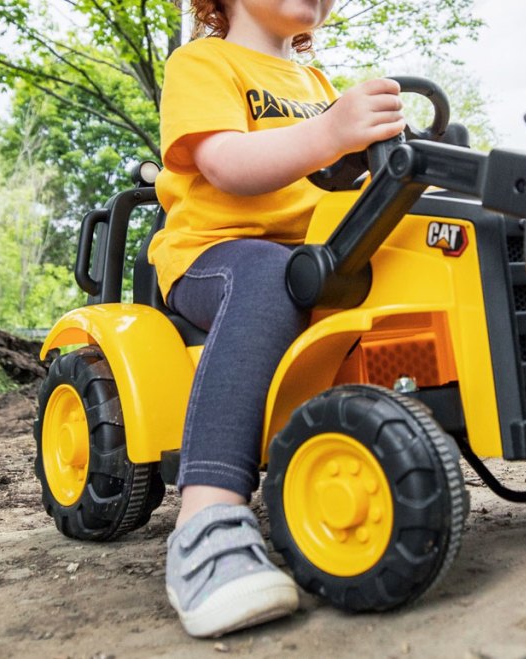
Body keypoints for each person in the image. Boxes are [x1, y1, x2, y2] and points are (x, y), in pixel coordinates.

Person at [147, 0, 405, 638]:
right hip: (218, 257)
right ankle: (206, 521)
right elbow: (226, 167)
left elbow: (336, 181)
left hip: (315, 252)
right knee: (268, 276)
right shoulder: (203, 61)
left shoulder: (317, 84)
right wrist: (332, 132)